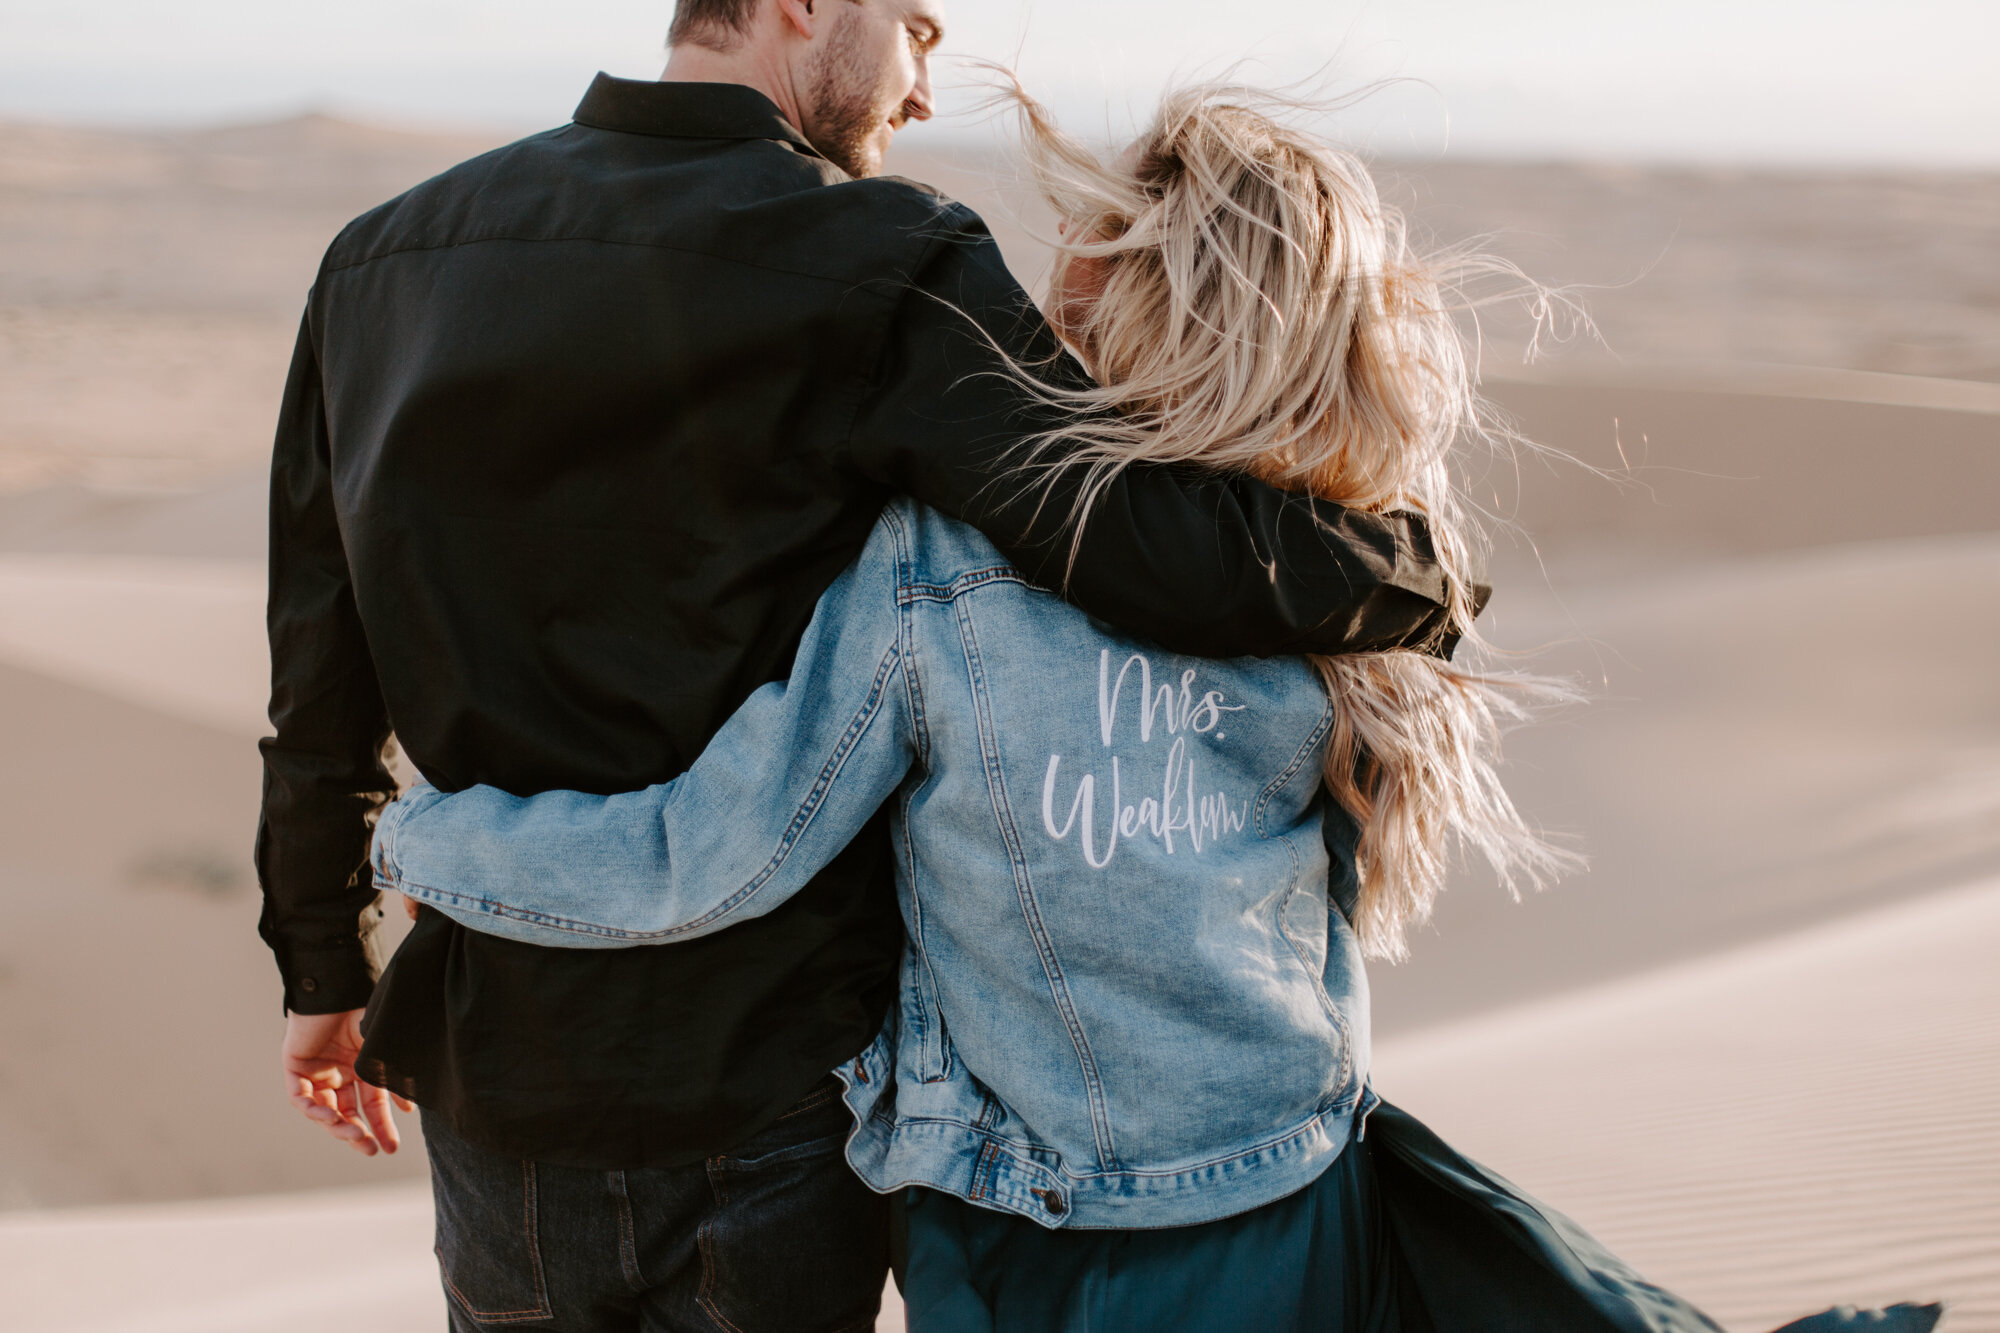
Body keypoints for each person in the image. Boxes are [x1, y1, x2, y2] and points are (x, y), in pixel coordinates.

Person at [363, 81, 1944, 1333]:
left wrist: (431, 844)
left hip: (1028, 1238)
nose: (1040, 312)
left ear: (1161, 304)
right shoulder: (1346, 567)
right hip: (1293, 1189)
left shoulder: (943, 567)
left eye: (1081, 275)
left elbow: (713, 853)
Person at [255, 1, 1465, 1330]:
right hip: (768, 1088)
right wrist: (1415, 571)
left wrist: (322, 967)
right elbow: (1132, 541)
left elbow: (320, 673)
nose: (924, 87)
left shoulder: (375, 264)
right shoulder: (883, 256)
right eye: (919, 29)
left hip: (496, 1068)